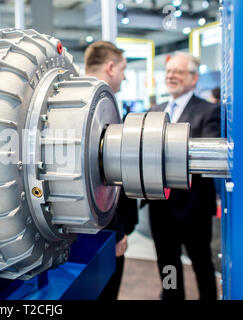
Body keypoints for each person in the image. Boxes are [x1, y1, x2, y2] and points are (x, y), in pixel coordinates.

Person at [149, 52, 220, 300]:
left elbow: (206, 156)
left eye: (178, 71)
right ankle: (172, 297)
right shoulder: (156, 111)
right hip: (160, 206)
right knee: (168, 263)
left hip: (193, 206)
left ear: (193, 78)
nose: (171, 76)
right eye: (169, 72)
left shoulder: (209, 111)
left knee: (202, 263)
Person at [84, 40, 138, 300]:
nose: (124, 76)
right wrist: (116, 230)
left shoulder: (72, 99)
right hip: (104, 228)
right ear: (110, 67)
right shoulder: (99, 107)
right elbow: (95, 180)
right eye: (123, 69)